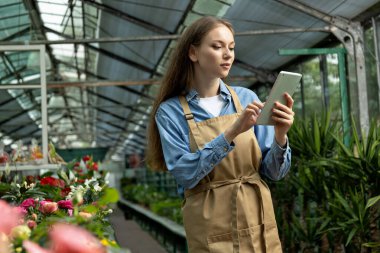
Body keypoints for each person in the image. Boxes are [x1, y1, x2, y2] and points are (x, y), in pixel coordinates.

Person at [147, 16, 294, 253]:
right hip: (210, 222)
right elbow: (185, 174)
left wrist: (280, 136)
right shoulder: (170, 112)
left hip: (257, 214)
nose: (228, 54)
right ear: (193, 53)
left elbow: (274, 173)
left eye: (231, 47)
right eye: (217, 46)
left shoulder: (247, 99)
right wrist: (233, 131)